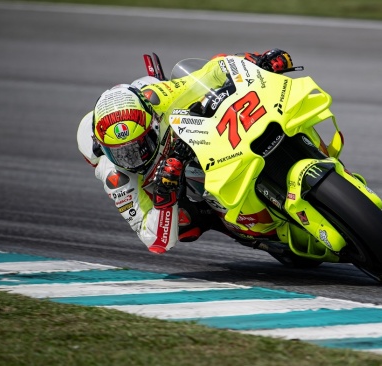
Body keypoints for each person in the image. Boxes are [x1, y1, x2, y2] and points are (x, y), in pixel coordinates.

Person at [77, 49, 294, 254]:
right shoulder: (115, 175)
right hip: (170, 189)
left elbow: (213, 70)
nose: (132, 159)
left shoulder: (159, 97)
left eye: (138, 147)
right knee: (185, 222)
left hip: (194, 137)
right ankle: (246, 232)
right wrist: (164, 193)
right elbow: (156, 241)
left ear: (153, 122)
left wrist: (254, 61)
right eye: (121, 153)